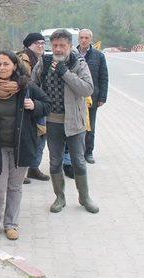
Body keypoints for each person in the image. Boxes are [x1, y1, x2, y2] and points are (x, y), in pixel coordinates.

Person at [0, 51, 51, 240]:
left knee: (15, 187)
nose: (2, 68)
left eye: (6, 64)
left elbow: (47, 104)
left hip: (20, 146)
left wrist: (35, 106)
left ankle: (11, 224)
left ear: (14, 66)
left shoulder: (27, 87)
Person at [31, 29, 98, 214]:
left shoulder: (78, 63)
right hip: (52, 122)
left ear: (70, 46)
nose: (58, 49)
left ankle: (84, 197)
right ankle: (59, 197)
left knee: (78, 161)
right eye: (55, 46)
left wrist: (65, 73)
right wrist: (38, 104)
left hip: (75, 122)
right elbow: (32, 85)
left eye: (62, 45)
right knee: (55, 161)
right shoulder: (43, 62)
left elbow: (87, 89)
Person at [17, 32, 50, 183]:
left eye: (43, 43)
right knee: (26, 137)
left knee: (41, 135)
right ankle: (21, 171)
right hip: (27, 103)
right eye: (37, 43)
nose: (41, 46)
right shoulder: (21, 59)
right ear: (29, 44)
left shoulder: (44, 59)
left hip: (40, 103)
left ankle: (33, 168)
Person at [78, 29, 108, 164]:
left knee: (90, 126)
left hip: (92, 97)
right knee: (76, 126)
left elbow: (104, 77)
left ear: (91, 39)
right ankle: (76, 152)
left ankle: (88, 152)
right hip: (75, 97)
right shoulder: (72, 53)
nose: (83, 40)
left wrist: (102, 97)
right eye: (81, 38)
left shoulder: (98, 56)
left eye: (86, 38)